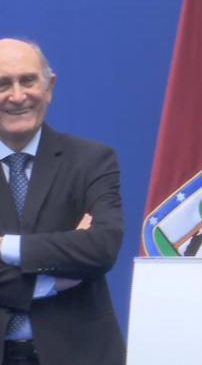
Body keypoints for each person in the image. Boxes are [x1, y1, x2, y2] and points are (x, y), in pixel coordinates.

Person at [0, 38, 124, 365]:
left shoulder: (92, 160)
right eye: (2, 84)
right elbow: (83, 250)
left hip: (79, 354)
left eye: (28, 80)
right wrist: (52, 281)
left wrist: (7, 247)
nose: (17, 96)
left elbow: (102, 247)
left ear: (49, 86)